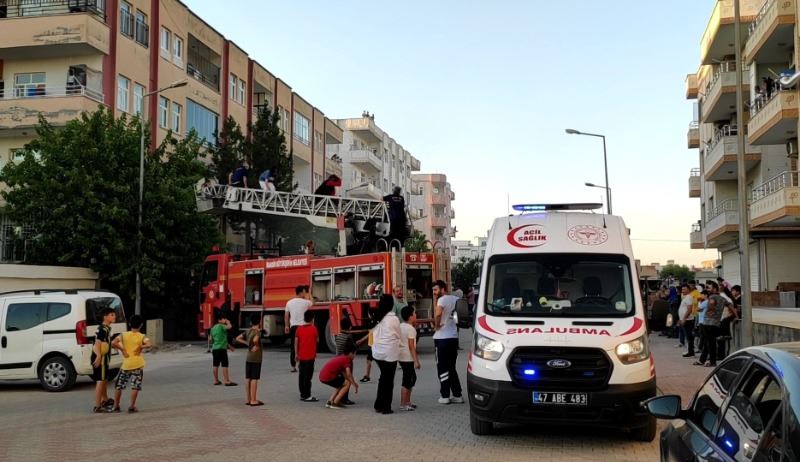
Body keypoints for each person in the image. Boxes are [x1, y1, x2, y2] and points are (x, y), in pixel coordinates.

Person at [111, 315, 151, 413]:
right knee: (135, 386)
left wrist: (123, 350)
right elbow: (149, 344)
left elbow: (113, 343)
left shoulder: (123, 335)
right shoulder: (142, 336)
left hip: (126, 364)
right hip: (137, 364)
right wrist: (141, 347)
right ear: (141, 325)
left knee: (119, 386)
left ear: (129, 324)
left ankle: (116, 406)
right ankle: (132, 406)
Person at [432, 280, 463, 404]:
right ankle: (457, 395)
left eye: (436, 290)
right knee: (451, 367)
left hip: (441, 338)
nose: (434, 292)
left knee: (442, 367)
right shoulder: (456, 299)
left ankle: (445, 396)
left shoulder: (442, 300)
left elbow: (438, 314)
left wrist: (437, 325)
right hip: (453, 337)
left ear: (443, 289)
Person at [371, 294, 401, 414]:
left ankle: (378, 404)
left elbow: (372, 333)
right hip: (389, 354)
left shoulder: (377, 317)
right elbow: (398, 335)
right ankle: (385, 407)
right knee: (388, 381)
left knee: (383, 378)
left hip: (377, 353)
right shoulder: (394, 319)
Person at [695, 281, 731, 368]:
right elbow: (730, 305)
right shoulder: (719, 298)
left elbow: (704, 308)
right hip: (710, 323)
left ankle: (712, 361)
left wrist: (710, 312)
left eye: (708, 287)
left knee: (710, 343)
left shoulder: (714, 297)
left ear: (714, 289)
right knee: (708, 342)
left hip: (709, 323)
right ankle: (702, 360)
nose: (706, 289)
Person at [319, 343, 359, 410]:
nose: (355, 356)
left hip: (323, 376)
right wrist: (354, 384)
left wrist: (352, 382)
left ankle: (330, 402)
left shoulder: (342, 357)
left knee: (342, 384)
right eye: (355, 353)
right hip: (328, 376)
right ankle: (335, 403)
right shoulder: (347, 359)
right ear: (350, 353)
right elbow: (349, 374)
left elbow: (345, 375)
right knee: (347, 383)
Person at [235, 315, 264, 406]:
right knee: (254, 378)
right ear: (259, 322)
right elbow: (255, 340)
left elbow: (238, 338)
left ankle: (248, 399)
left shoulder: (248, 331)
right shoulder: (257, 332)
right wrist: (257, 345)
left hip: (249, 357)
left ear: (251, 322)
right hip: (256, 358)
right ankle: (253, 400)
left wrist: (247, 343)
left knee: (248, 378)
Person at [91, 307, 117, 413]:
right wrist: (98, 356)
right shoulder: (103, 329)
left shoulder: (106, 328)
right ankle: (97, 406)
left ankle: (105, 400)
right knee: (100, 381)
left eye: (114, 314)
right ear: (105, 317)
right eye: (112, 315)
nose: (114, 316)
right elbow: (97, 343)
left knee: (104, 379)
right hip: (101, 359)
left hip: (104, 358)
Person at [285, 285, 312, 373]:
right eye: (304, 292)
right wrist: (309, 293)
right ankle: (301, 364)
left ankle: (293, 366)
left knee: (293, 346)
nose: (304, 293)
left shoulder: (289, 302)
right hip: (302, 327)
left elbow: (286, 315)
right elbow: (313, 302)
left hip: (293, 327)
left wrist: (286, 326)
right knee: (302, 346)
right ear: (301, 292)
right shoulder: (305, 302)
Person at [398, 305, 421, 411]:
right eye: (414, 313)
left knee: (412, 378)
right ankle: (403, 404)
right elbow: (412, 346)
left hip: (401, 356)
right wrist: (416, 361)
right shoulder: (411, 329)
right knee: (407, 380)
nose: (416, 315)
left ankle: (407, 402)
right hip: (407, 357)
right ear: (410, 316)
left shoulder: (401, 326)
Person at [295, 310, 319, 402]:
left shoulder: (299, 329)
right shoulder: (314, 329)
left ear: (304, 318)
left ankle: (302, 394)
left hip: (301, 356)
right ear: (312, 319)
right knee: (308, 377)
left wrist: (296, 354)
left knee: (301, 375)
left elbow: (296, 342)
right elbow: (317, 340)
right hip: (310, 357)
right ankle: (307, 395)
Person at [210, 312, 237, 386]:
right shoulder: (221, 326)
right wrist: (228, 322)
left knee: (215, 365)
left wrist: (229, 346)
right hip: (222, 349)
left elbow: (211, 340)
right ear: (219, 320)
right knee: (225, 364)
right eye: (223, 318)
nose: (225, 320)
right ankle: (226, 381)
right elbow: (229, 327)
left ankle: (216, 380)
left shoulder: (213, 328)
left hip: (215, 349)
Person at [676, 284, 696, 358]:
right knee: (688, 336)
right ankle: (690, 351)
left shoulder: (689, 297)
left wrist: (684, 318)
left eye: (684, 289)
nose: (682, 291)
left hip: (688, 320)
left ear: (688, 290)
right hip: (685, 319)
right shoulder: (686, 297)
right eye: (682, 289)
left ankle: (691, 352)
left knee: (689, 336)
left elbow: (689, 309)